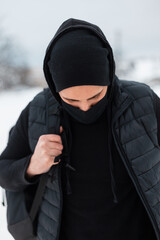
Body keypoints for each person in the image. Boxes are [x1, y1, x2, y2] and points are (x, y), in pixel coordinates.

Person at [0, 17, 160, 240]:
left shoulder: (142, 102)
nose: (85, 108)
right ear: (56, 89)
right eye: (71, 101)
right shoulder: (38, 110)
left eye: (96, 97)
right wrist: (32, 166)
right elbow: (3, 171)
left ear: (109, 75)